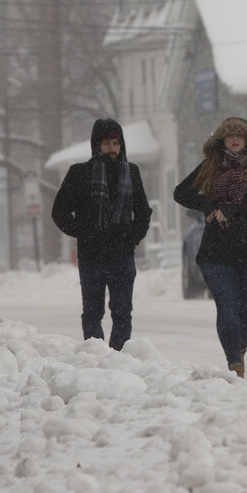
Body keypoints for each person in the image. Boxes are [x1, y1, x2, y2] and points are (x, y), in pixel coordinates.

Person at [174, 117, 247, 378]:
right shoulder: (210, 167)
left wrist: (235, 209)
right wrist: (208, 206)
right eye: (229, 134)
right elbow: (181, 192)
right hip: (217, 253)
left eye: (239, 135)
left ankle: (238, 347)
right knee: (228, 310)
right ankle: (234, 364)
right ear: (221, 139)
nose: (234, 138)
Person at [52, 118, 152, 350]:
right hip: (91, 256)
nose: (112, 148)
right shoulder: (79, 173)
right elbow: (60, 211)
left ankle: (119, 358)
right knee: (92, 312)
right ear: (97, 145)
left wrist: (133, 237)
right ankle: (95, 358)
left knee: (122, 312)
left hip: (122, 256)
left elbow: (143, 212)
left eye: (116, 143)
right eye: (106, 143)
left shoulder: (131, 173)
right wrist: (83, 232)